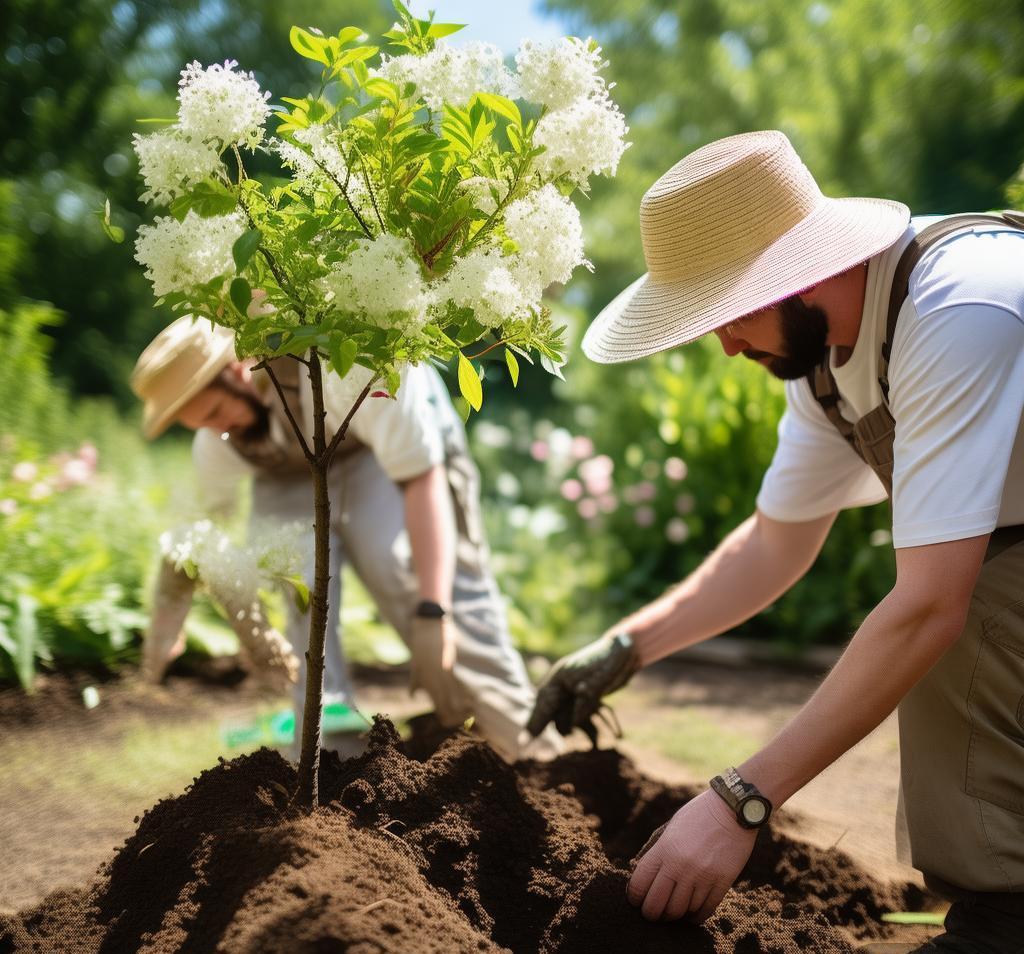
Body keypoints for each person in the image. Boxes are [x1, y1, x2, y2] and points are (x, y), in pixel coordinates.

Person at [527, 130, 1024, 952]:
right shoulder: (827, 363)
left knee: (964, 617)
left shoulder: (958, 306)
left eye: (727, 313)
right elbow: (773, 545)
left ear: (802, 272)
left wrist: (739, 802)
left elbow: (933, 604)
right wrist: (626, 645)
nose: (722, 344)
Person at [132, 315, 560, 763]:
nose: (220, 432)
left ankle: (532, 753)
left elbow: (421, 477)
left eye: (218, 413)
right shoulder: (221, 438)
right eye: (201, 424)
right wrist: (172, 608)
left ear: (241, 368)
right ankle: (329, 760)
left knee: (403, 570)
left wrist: (435, 613)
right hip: (291, 475)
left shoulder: (354, 367)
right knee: (297, 587)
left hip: (383, 448)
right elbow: (201, 531)